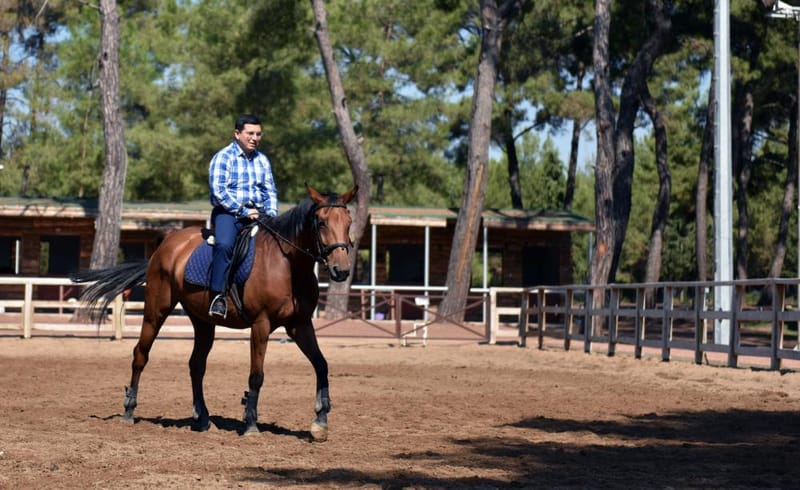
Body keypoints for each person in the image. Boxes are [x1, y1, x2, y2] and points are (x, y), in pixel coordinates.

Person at [207, 114, 278, 318]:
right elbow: (219, 193)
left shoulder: (262, 160)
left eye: (258, 134)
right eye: (250, 133)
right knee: (224, 245)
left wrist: (271, 215)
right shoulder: (223, 157)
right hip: (229, 213)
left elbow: (269, 190)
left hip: (260, 214)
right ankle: (217, 297)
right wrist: (245, 211)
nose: (254, 138)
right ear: (237, 134)